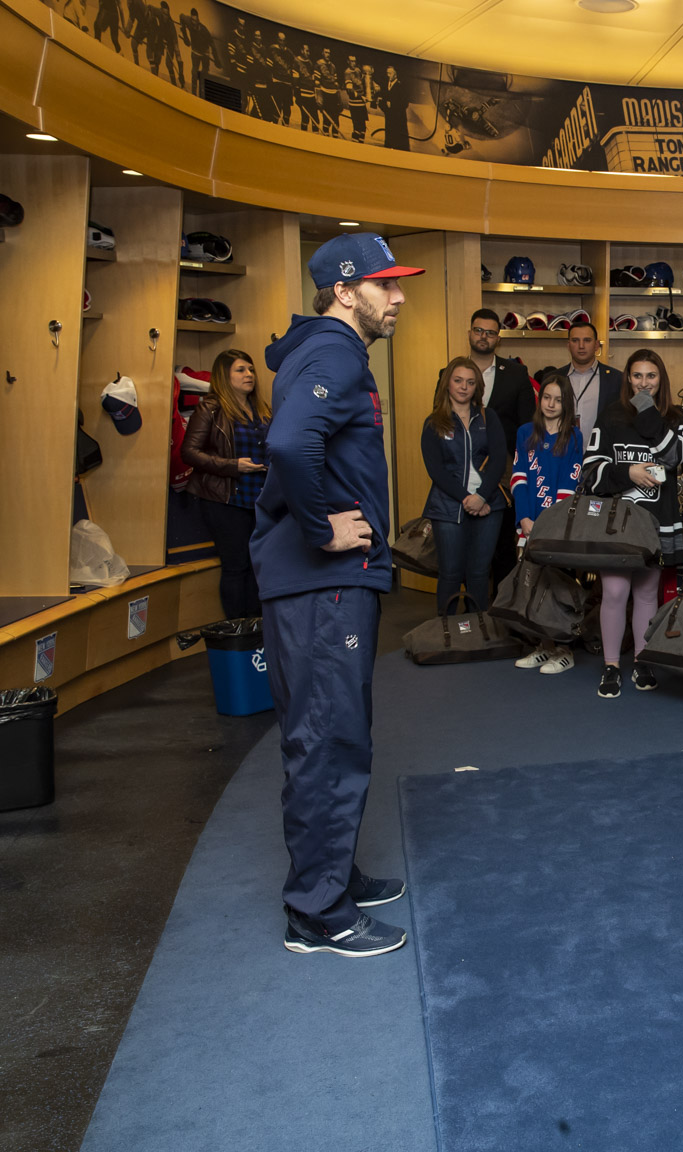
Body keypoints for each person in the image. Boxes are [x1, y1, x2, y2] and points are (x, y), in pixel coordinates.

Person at [251, 232, 424, 958]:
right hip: (323, 583)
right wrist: (322, 529)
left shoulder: (329, 352)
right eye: (386, 285)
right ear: (345, 292)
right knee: (328, 740)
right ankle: (317, 914)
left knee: (331, 734)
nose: (400, 297)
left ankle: (331, 877)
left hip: (327, 587)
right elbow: (290, 445)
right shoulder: (333, 351)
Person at [584, 349, 683, 698]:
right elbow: (589, 472)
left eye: (651, 376)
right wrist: (627, 472)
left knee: (647, 593)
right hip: (617, 522)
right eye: (636, 376)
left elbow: (676, 459)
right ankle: (612, 665)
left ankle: (642, 660)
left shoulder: (678, 416)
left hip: (657, 520)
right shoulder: (611, 415)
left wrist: (647, 410)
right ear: (627, 378)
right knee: (615, 591)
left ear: (661, 378)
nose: (643, 383)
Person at [180, 348, 271, 619]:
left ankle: (256, 630)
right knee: (236, 566)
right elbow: (189, 452)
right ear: (224, 376)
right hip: (225, 499)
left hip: (260, 499)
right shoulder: (211, 408)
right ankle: (238, 631)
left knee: (258, 566)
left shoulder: (262, 409)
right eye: (241, 370)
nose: (249, 375)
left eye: (251, 369)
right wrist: (233, 466)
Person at [420, 356, 509, 613]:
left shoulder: (487, 417)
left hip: (489, 504)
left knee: (479, 573)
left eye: (470, 382)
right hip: (448, 506)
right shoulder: (434, 422)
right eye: (458, 380)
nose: (463, 387)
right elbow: (436, 470)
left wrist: (481, 496)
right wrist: (466, 498)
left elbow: (498, 460)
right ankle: (446, 634)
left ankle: (476, 634)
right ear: (447, 383)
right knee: (450, 572)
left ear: (476, 387)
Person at [510, 372, 584, 674]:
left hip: (559, 525)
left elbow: (571, 482)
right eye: (547, 397)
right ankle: (544, 646)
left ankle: (564, 649)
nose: (551, 404)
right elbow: (519, 477)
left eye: (558, 399)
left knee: (560, 586)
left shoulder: (574, 436)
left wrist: (550, 523)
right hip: (531, 522)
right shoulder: (526, 432)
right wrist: (525, 518)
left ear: (566, 403)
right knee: (533, 584)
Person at [465, 308, 537, 585]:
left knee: (503, 546)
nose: (483, 336)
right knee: (466, 546)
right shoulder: (453, 371)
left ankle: (501, 610)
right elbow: (441, 420)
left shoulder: (517, 373)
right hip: (463, 469)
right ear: (470, 333)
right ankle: (471, 612)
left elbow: (527, 425)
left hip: (505, 471)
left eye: (490, 332)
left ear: (499, 338)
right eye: (478, 330)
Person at [556, 320, 624, 443]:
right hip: (561, 454)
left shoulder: (616, 379)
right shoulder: (555, 378)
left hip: (602, 455)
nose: (581, 346)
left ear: (596, 345)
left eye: (587, 340)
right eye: (575, 340)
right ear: (568, 345)